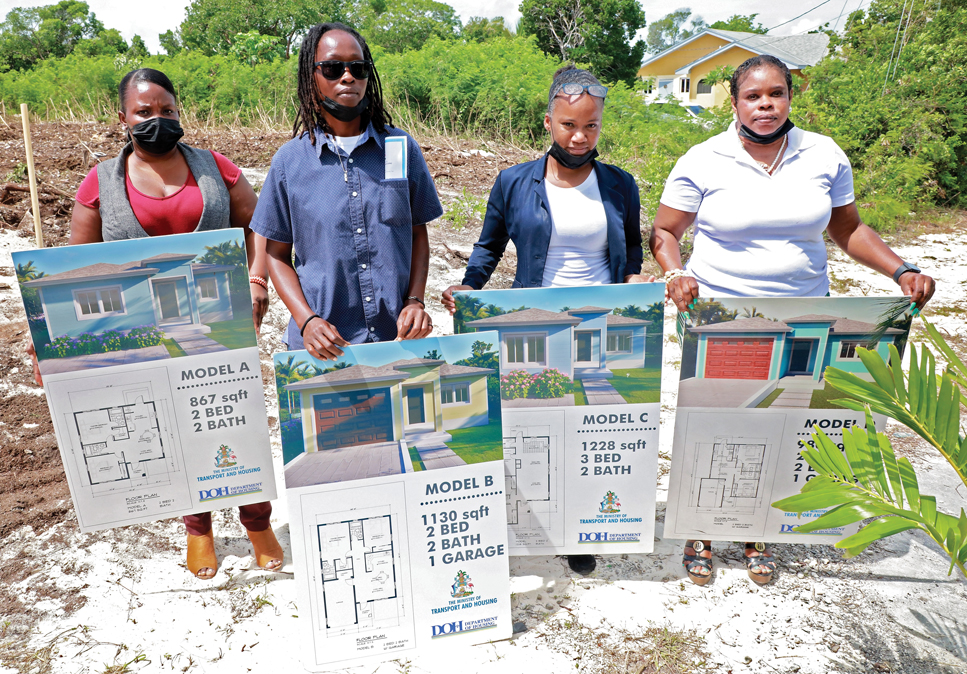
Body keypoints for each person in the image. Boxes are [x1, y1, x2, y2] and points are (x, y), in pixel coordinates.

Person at [650, 54, 936, 585]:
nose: (765, 105)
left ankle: (758, 530)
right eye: (753, 96)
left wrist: (903, 269)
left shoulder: (822, 154)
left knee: (787, 425)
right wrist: (674, 273)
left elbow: (848, 230)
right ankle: (702, 529)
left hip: (808, 311)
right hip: (724, 317)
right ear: (734, 102)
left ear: (789, 98)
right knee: (718, 424)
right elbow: (664, 232)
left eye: (775, 94)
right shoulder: (703, 158)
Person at [30, 67, 283, 581]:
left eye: (167, 110)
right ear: (122, 117)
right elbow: (74, 269)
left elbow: (260, 227)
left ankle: (257, 524)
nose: (158, 120)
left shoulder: (216, 168)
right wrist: (53, 348)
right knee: (174, 427)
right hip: (144, 331)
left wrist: (257, 281)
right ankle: (198, 530)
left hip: (218, 322)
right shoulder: (101, 182)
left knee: (235, 420)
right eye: (145, 112)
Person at [442, 65, 652, 576]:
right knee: (529, 425)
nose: (579, 137)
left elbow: (630, 256)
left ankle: (577, 530)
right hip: (534, 322)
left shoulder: (620, 185)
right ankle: (523, 522)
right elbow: (489, 245)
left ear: (601, 124)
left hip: (596, 325)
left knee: (584, 428)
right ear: (548, 122)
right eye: (568, 125)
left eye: (591, 126)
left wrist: (632, 286)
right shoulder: (514, 181)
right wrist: (470, 287)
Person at [251, 22, 441, 361]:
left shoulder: (400, 148)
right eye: (333, 67)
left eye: (358, 67)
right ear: (312, 77)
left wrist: (415, 301)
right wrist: (306, 320)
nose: (348, 76)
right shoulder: (289, 162)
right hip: (322, 348)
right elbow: (276, 255)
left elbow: (417, 233)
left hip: (395, 341)